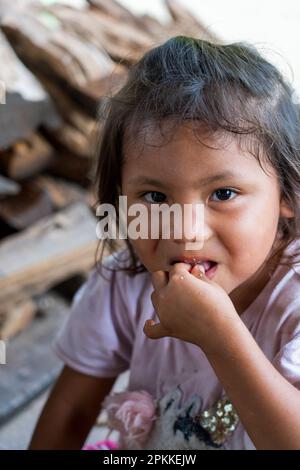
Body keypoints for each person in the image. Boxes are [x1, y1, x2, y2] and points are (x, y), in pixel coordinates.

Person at [29, 36, 300, 450]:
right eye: (155, 198)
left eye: (223, 194)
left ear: (286, 194)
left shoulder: (293, 303)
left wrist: (221, 338)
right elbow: (70, 414)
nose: (186, 233)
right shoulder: (126, 283)